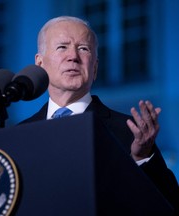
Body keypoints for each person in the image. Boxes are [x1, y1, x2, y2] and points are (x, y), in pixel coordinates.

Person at [20, 16, 179, 213]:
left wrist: (141, 158)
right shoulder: (22, 134)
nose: (73, 57)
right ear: (40, 64)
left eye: (83, 49)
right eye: (62, 47)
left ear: (94, 68)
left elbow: (169, 205)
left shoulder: (129, 131)